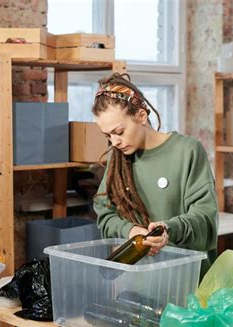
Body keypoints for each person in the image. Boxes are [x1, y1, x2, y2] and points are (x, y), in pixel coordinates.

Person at [92, 73, 218, 272]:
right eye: (107, 135)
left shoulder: (187, 151)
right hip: (140, 282)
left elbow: (205, 219)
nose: (114, 142)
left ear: (141, 116)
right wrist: (131, 230)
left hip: (188, 280)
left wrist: (169, 229)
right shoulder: (118, 160)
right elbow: (106, 215)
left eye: (119, 132)